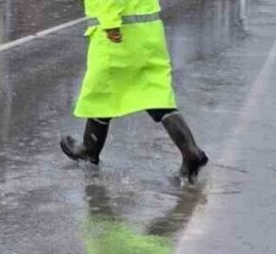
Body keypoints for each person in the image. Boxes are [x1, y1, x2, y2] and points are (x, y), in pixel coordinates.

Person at [61, 0, 209, 181]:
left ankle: (90, 149)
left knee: (101, 90)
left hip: (121, 33)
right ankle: (189, 149)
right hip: (148, 30)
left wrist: (110, 22)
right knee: (155, 93)